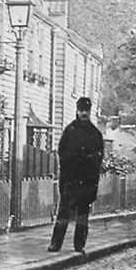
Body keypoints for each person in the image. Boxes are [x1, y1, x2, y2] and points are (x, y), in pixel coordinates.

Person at [49, 96, 104, 253]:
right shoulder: (69, 131)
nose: (83, 113)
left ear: (90, 111)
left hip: (86, 182)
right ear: (77, 111)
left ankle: (79, 244)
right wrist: (71, 167)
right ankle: (56, 243)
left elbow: (98, 158)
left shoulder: (95, 134)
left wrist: (88, 165)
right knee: (63, 213)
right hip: (70, 180)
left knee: (82, 216)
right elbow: (62, 154)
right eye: (81, 110)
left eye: (86, 110)